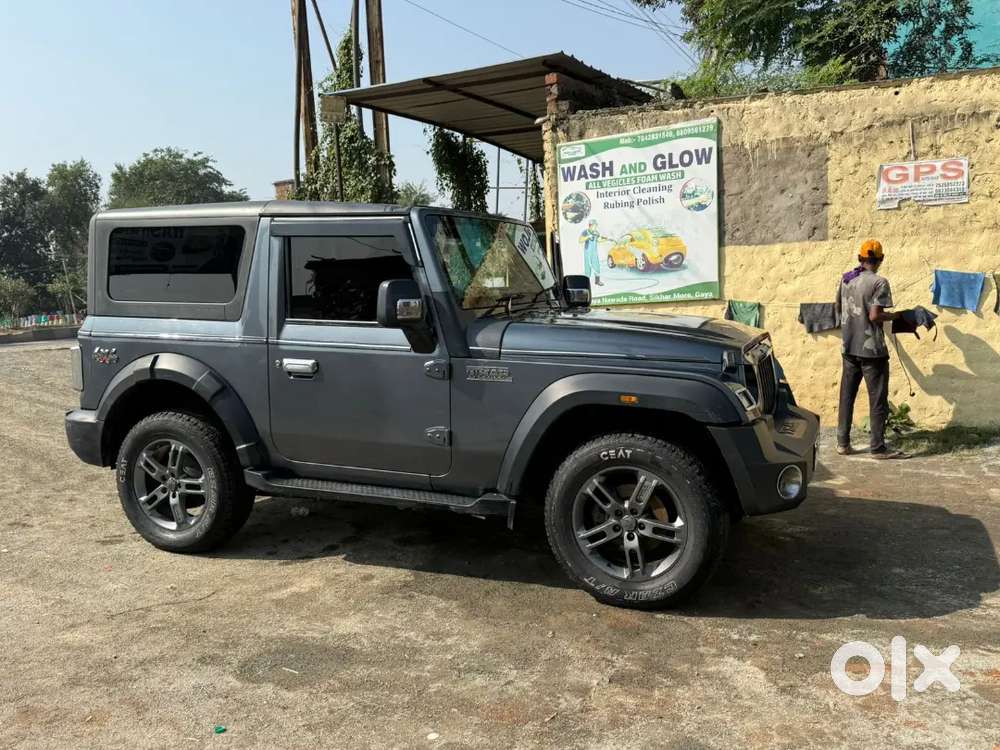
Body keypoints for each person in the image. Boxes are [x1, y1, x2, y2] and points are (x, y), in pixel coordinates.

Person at [835, 240, 907, 459]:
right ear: (881, 259)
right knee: (877, 399)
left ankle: (842, 444)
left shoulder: (846, 279)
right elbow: (875, 316)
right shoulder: (880, 282)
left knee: (847, 395)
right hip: (872, 351)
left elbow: (838, 308)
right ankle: (877, 448)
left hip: (848, 346)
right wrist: (896, 315)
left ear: (860, 258)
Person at [578, 219, 605, 286]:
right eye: (594, 225)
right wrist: (587, 237)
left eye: (596, 225)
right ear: (590, 225)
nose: (596, 227)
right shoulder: (585, 232)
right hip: (587, 252)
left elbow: (598, 240)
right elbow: (580, 240)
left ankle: (597, 281)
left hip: (594, 252)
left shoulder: (596, 232)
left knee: (597, 266)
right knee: (587, 266)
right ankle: (586, 282)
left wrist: (605, 239)